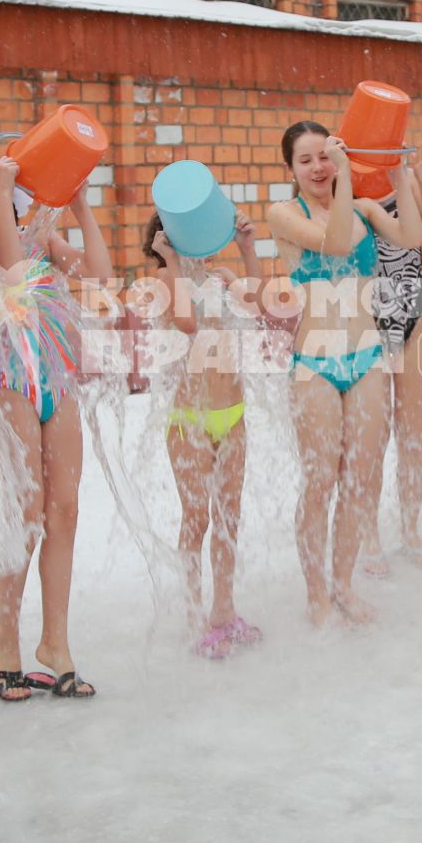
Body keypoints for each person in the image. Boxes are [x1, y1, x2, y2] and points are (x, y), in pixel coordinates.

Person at [265, 120, 422, 626]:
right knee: (320, 481)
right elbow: (332, 243)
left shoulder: (364, 209)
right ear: (289, 167)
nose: (319, 168)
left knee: (360, 479)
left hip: (367, 355)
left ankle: (343, 586)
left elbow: (414, 237)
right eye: (306, 160)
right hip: (314, 362)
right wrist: (349, 178)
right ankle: (316, 594)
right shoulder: (283, 213)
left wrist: (403, 186)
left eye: (325, 157)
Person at [0, 151, 112, 700]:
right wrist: (1, 194)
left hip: (58, 376)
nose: (1, 182)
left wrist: (82, 208)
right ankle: (5, 639)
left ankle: (54, 643)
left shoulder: (43, 241)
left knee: (65, 507)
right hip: (12, 378)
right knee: (26, 509)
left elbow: (101, 275)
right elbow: (12, 277)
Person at [143, 211, 265, 656]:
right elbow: (186, 322)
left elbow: (257, 304)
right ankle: (194, 616)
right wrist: (171, 262)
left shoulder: (221, 276)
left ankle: (224, 610)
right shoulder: (161, 280)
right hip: (189, 420)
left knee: (229, 517)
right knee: (197, 518)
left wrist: (248, 249)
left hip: (232, 413)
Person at [359, 144, 422, 574]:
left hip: (416, 311)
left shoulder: (406, 180)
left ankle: (410, 530)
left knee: (413, 432)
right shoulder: (347, 185)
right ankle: (369, 536)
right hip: (367, 316)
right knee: (372, 438)